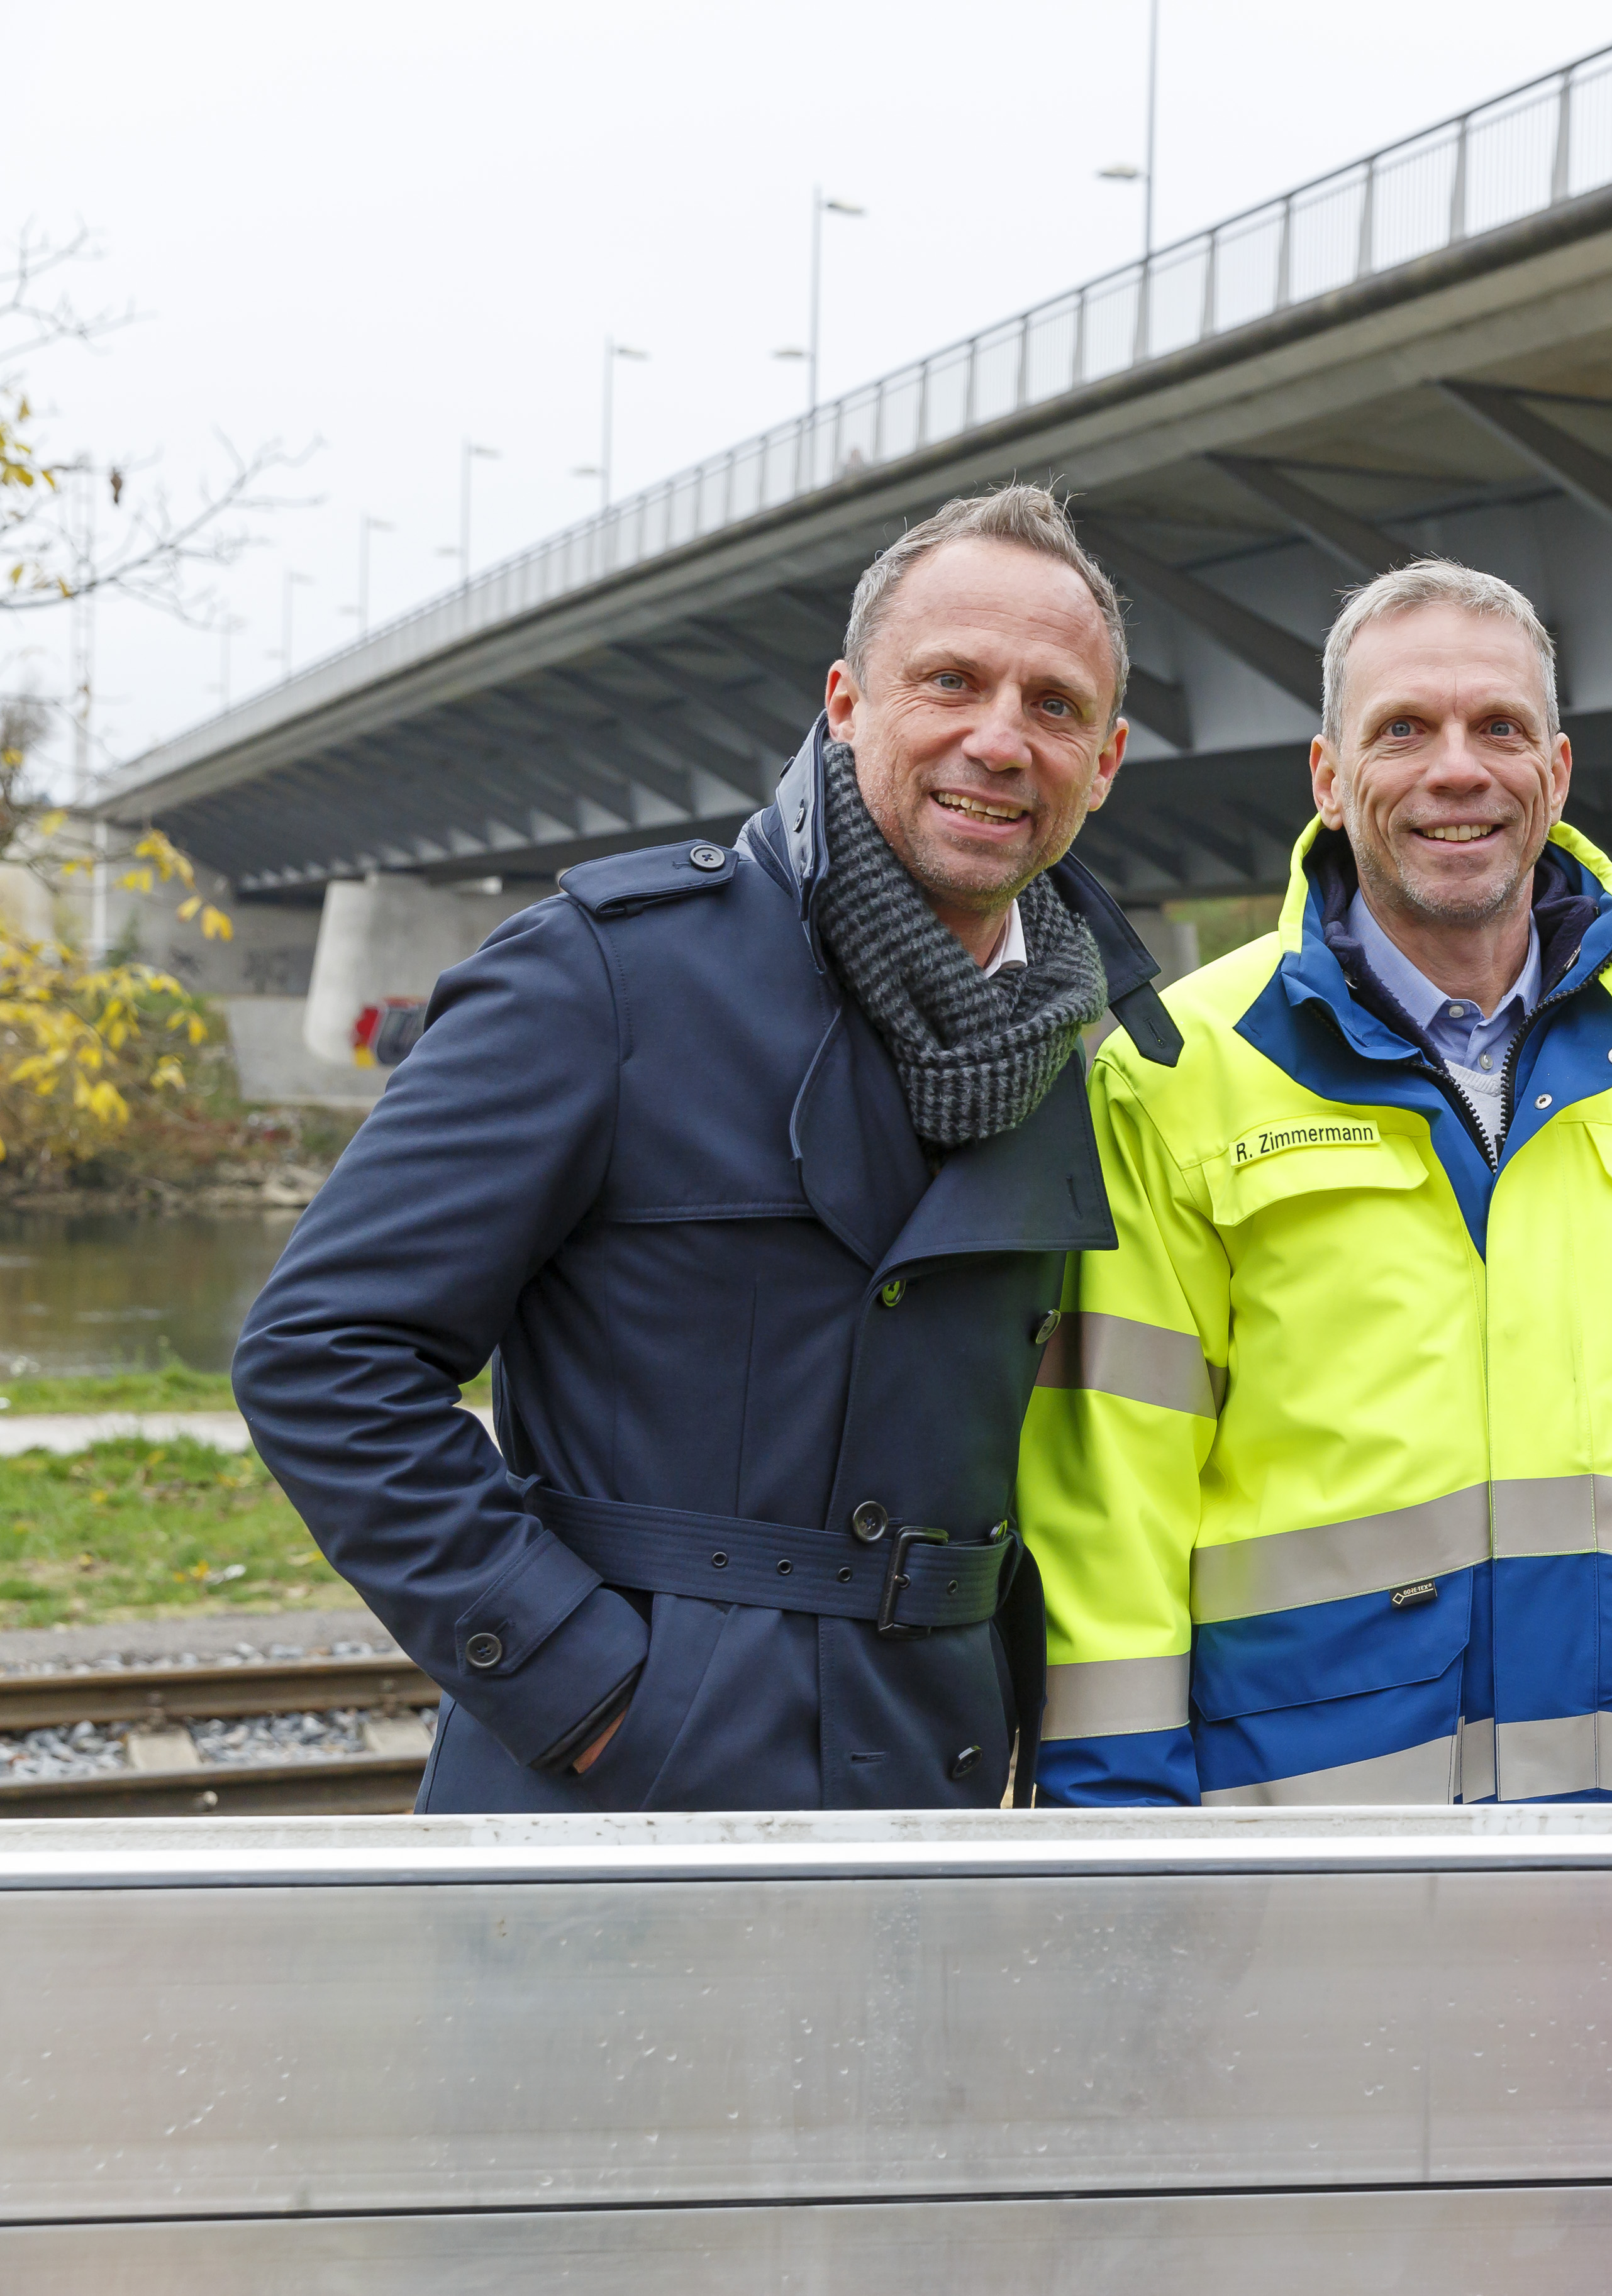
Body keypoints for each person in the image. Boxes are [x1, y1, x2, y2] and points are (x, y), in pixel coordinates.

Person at [234, 484, 1178, 1812]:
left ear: (1109, 758)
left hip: (932, 1792)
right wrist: (593, 1689)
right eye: (951, 680)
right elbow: (321, 1354)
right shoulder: (606, 978)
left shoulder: (1073, 1041)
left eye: (1055, 705)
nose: (1000, 739)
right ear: (846, 703)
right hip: (623, 1809)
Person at [1014, 560, 1612, 1804]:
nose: (1457, 768)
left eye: (1500, 728)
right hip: (1322, 1842)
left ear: (1559, 770)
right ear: (1328, 774)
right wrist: (1119, 1838)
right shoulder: (1171, 1070)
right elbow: (1112, 1501)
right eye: (1404, 729)